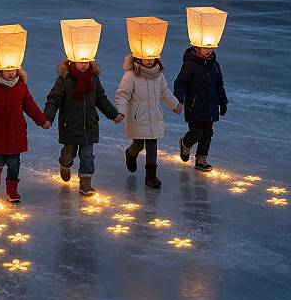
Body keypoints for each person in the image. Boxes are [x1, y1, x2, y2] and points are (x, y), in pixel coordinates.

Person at [0, 66, 49, 202]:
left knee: (14, 162)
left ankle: (12, 190)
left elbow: (30, 106)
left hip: (16, 132)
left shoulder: (21, 87)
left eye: (13, 69)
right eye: (7, 70)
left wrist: (42, 121)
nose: (11, 72)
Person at [44, 59, 121, 195]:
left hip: (89, 125)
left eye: (86, 61)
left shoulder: (93, 78)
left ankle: (85, 183)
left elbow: (100, 99)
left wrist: (113, 114)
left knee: (87, 155)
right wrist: (48, 117)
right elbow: (54, 99)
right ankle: (65, 163)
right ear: (72, 61)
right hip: (70, 125)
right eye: (81, 62)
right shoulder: (64, 79)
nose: (84, 64)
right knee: (69, 154)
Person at [115, 55, 181, 188]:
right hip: (137, 117)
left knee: (152, 144)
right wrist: (120, 112)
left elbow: (164, 92)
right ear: (138, 58)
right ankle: (130, 153)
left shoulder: (158, 74)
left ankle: (151, 177)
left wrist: (175, 104)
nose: (150, 60)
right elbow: (123, 94)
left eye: (152, 57)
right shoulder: (131, 75)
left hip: (154, 116)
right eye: (146, 58)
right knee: (138, 145)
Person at [174, 46, 228, 172]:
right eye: (205, 48)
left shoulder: (215, 65)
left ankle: (201, 160)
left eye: (211, 48)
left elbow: (219, 85)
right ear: (197, 48)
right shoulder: (190, 65)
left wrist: (223, 102)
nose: (209, 51)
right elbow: (180, 83)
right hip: (195, 106)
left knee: (207, 134)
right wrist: (178, 100)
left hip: (211, 106)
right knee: (197, 133)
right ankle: (185, 143)